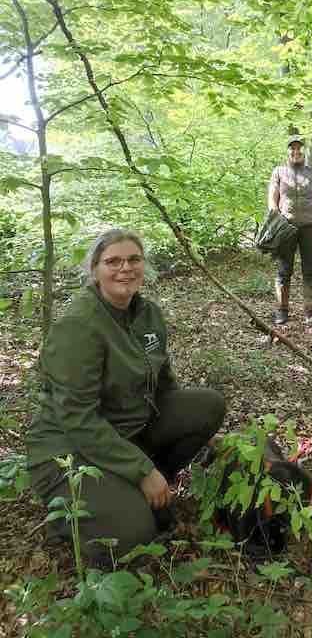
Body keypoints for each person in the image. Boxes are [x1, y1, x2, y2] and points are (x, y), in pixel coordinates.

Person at [26, 228, 226, 563]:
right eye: (113, 261)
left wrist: (189, 440)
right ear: (95, 270)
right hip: (69, 450)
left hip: (124, 433)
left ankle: (137, 490)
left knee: (207, 406)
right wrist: (142, 470)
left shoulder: (147, 314)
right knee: (135, 536)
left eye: (134, 259)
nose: (125, 268)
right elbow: (77, 418)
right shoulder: (79, 326)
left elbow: (162, 384)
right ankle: (70, 517)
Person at [268, 136, 312, 326]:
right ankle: (281, 311)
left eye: (299, 149)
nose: (296, 152)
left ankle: (310, 312)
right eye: (292, 149)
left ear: (304, 151)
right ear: (288, 151)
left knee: (310, 269)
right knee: (284, 270)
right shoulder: (279, 172)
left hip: (309, 227)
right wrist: (276, 222)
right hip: (287, 227)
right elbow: (272, 200)